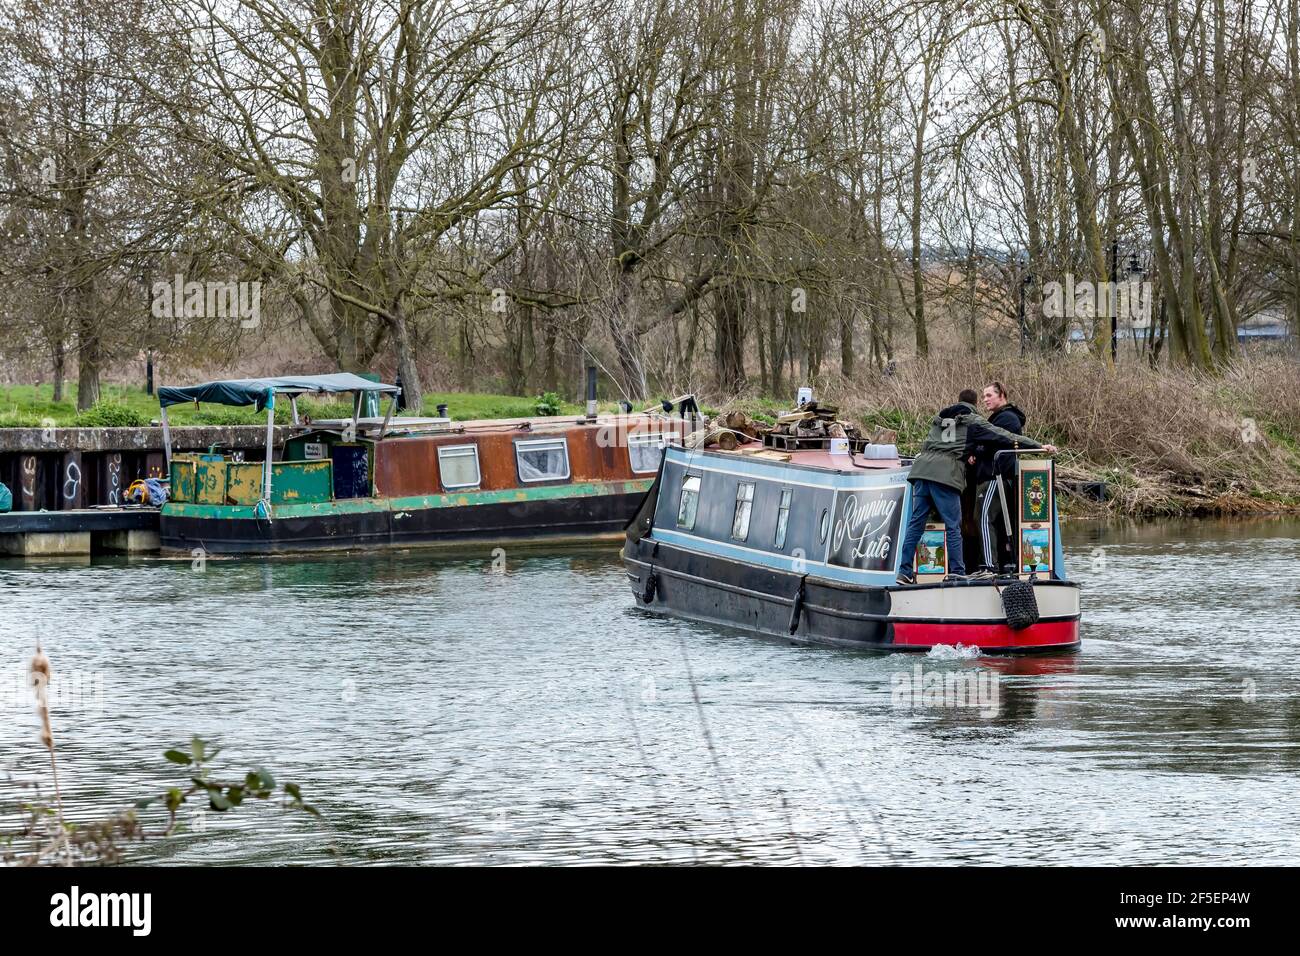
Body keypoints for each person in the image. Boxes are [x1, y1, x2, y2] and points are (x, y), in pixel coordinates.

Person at [896, 389, 1055, 585]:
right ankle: (957, 572)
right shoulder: (973, 421)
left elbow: (937, 445)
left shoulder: (938, 420)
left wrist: (970, 450)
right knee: (954, 525)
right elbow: (1004, 435)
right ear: (974, 405)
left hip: (920, 473)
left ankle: (904, 572)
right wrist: (1038, 446)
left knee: (915, 524)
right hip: (945, 476)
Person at [970, 381, 1029, 573]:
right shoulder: (997, 418)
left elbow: (988, 441)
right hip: (991, 478)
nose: (985, 400)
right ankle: (998, 563)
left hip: (996, 478)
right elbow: (983, 442)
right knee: (990, 521)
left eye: (989, 395)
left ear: (1001, 394)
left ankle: (989, 566)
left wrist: (978, 449)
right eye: (984, 396)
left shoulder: (1008, 419)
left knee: (984, 518)